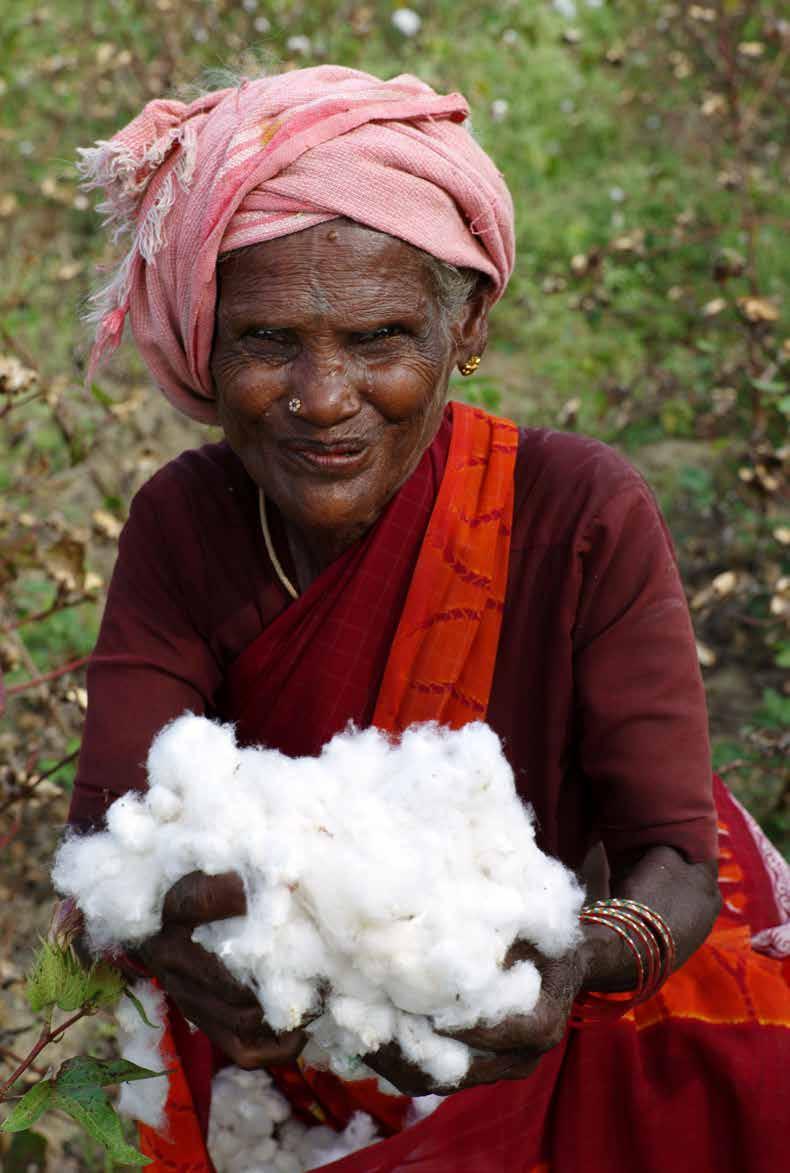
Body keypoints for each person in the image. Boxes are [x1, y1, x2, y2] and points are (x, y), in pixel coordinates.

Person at [68, 66, 788, 1172]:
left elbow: (674, 863)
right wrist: (184, 941)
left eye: (379, 339)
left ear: (469, 328)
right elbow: (110, 830)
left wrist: (563, 961)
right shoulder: (185, 524)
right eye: (266, 342)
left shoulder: (576, 510)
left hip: (540, 1006)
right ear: (205, 345)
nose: (321, 397)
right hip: (290, 1049)